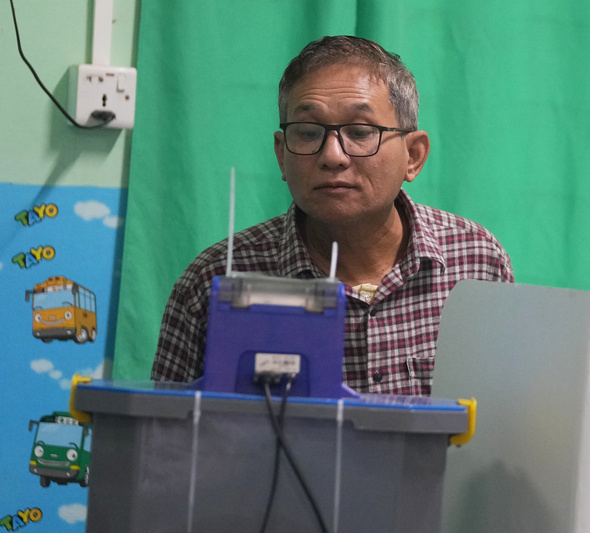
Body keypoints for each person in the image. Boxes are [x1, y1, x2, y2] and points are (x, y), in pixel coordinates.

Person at [152, 36, 514, 395]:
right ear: (282, 155)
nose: (333, 155)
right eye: (308, 133)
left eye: (360, 132)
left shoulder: (477, 265)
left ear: (414, 156)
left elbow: (505, 423)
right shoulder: (216, 280)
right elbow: (161, 438)